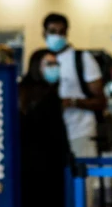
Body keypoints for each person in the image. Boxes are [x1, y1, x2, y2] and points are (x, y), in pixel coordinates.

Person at [18, 49, 70, 207]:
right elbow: (58, 137)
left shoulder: (21, 92)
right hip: (49, 171)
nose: (54, 67)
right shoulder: (49, 97)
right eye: (49, 63)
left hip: (26, 171)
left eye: (56, 63)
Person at [43, 12, 105, 161]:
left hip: (80, 132)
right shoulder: (43, 60)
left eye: (61, 32)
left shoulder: (82, 59)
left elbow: (101, 101)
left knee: (83, 180)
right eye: (52, 32)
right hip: (53, 134)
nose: (57, 36)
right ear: (44, 33)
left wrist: (72, 102)